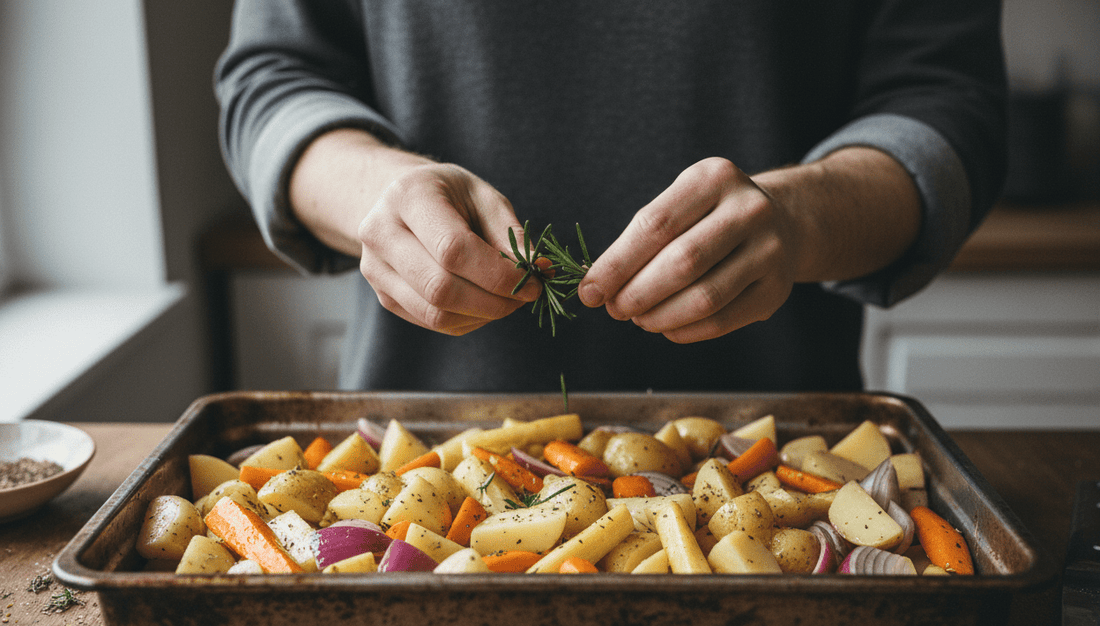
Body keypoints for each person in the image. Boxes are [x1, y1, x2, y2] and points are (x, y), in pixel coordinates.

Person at [215, 2, 1006, 394]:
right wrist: (375, 189)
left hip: (779, 456)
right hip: (424, 463)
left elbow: (947, 102)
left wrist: (801, 219)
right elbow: (271, 79)